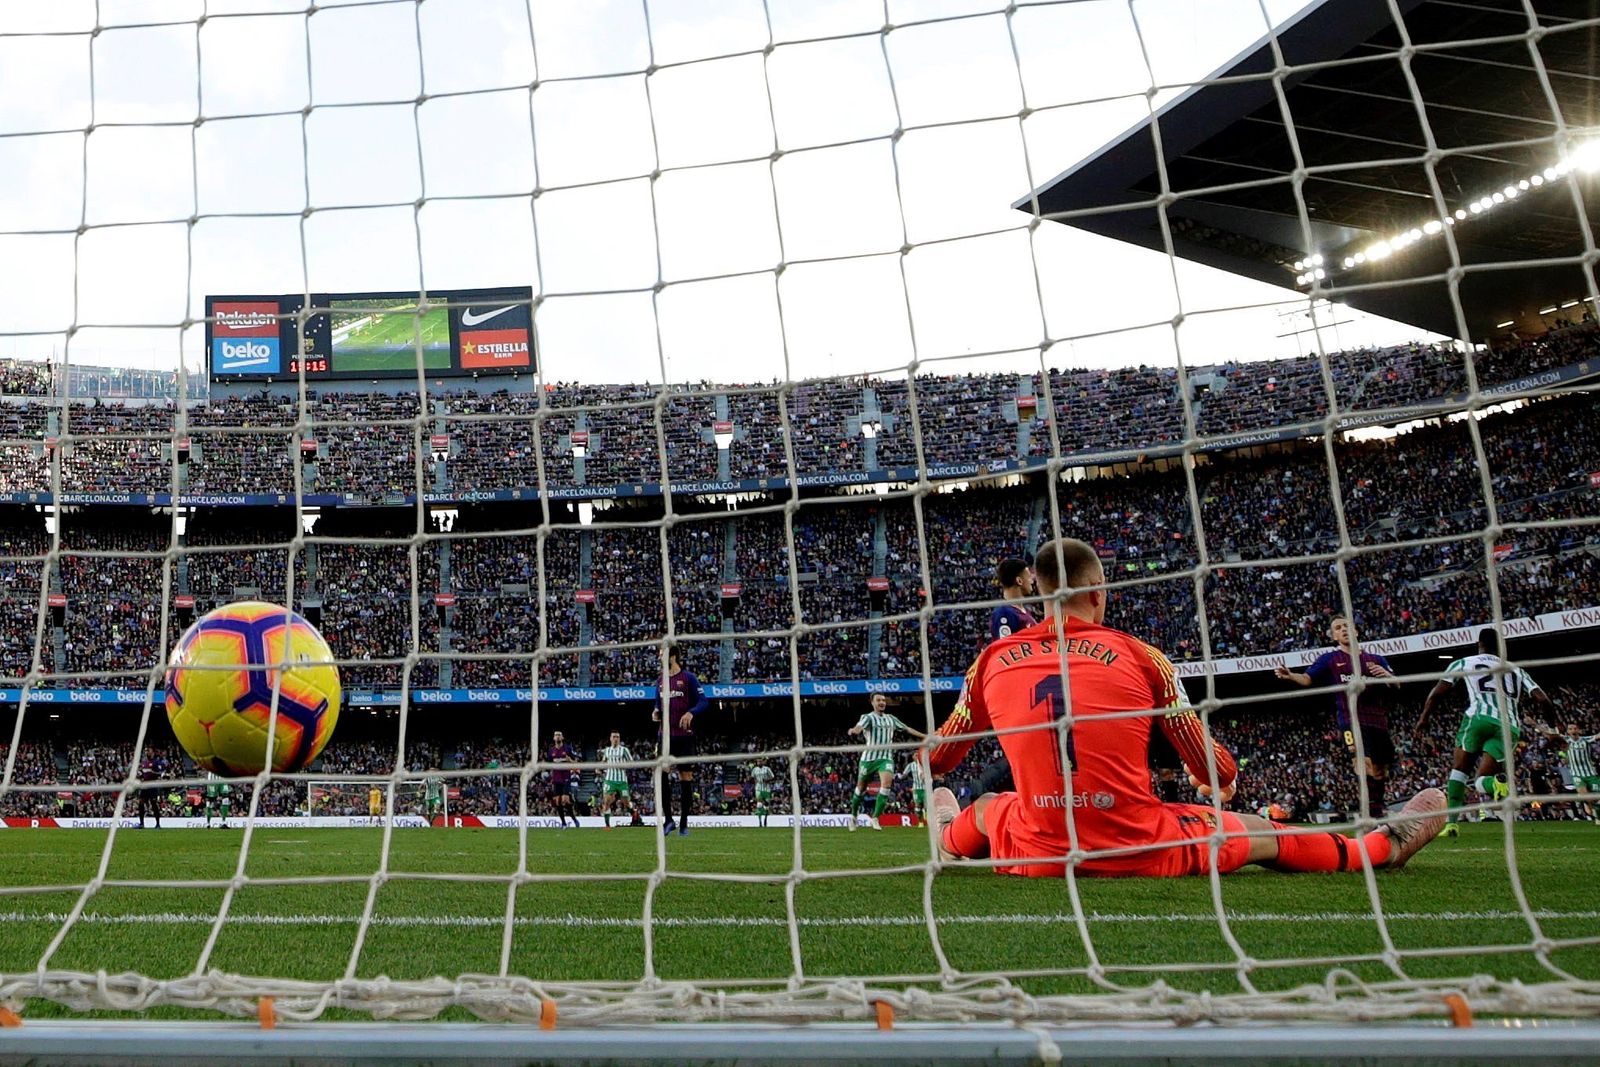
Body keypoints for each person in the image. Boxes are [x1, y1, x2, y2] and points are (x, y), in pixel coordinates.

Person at [927, 538, 1445, 878]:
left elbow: (941, 757)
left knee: (991, 808)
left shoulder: (991, 660)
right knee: (1263, 832)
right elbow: (1210, 767)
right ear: (1097, 590)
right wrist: (1224, 777)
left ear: (1037, 590)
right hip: (1139, 845)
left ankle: (948, 836)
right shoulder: (1140, 656)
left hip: (1042, 851)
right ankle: (1383, 846)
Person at [1416, 628, 1555, 835]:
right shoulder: (1516, 669)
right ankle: (1494, 785)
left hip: (1478, 719)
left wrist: (1424, 718)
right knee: (1482, 780)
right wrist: (1552, 728)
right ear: (1500, 647)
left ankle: (1452, 824)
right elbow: (1543, 700)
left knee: (1459, 771)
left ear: (1478, 643)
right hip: (1509, 726)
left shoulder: (1464, 662)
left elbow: (1438, 693)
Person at [1275, 617, 1397, 818]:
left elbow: (1397, 684)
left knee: (1380, 770)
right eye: (1338, 628)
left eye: (1347, 626)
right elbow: (1307, 679)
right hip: (1350, 720)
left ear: (1356, 631)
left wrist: (1386, 675)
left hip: (1378, 721)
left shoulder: (1376, 659)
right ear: (1334, 636)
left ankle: (1377, 807)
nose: (1343, 630)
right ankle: (1373, 814)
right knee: (1361, 761)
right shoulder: (1330, 659)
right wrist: (1290, 675)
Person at [847, 693, 926, 831]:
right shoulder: (868, 717)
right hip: (869, 759)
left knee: (886, 785)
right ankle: (853, 816)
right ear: (872, 702)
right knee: (860, 789)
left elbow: (907, 728)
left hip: (885, 758)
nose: (882, 702)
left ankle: (876, 818)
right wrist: (854, 730)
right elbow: (859, 727)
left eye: (883, 700)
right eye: (878, 700)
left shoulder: (891, 719)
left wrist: (925, 736)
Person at [652, 646, 708, 835]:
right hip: (665, 736)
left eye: (662, 654)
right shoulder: (660, 682)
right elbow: (657, 705)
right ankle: (668, 820)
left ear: (673, 656)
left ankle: (684, 823)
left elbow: (703, 701)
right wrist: (655, 712)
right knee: (662, 774)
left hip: (685, 736)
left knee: (686, 778)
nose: (659, 657)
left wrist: (691, 713)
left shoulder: (688, 678)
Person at [1558, 723, 1600, 823]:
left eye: (1575, 728)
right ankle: (1589, 807)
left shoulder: (1586, 740)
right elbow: (1550, 734)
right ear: (1568, 731)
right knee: (1585, 796)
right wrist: (1535, 725)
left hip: (1591, 774)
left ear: (1579, 730)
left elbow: (1598, 735)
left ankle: (1597, 815)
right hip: (1577, 774)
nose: (1573, 730)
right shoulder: (1566, 740)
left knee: (1597, 799)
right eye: (1570, 729)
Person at [991, 558, 1036, 639]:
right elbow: (1005, 648)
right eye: (1029, 577)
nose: (1032, 582)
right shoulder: (1004, 613)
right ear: (1019, 581)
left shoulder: (1025, 611)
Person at [599, 731, 636, 829]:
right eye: (614, 737)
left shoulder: (624, 750)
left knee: (626, 802)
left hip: (622, 780)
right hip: (609, 780)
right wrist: (599, 767)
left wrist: (625, 766)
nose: (616, 739)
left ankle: (634, 814)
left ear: (619, 739)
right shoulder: (607, 750)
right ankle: (607, 825)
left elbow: (632, 763)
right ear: (610, 738)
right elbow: (604, 761)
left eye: (617, 737)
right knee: (606, 801)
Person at [547, 731, 578, 828]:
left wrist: (570, 760)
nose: (557, 737)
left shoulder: (568, 749)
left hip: (566, 777)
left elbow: (575, 763)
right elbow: (548, 763)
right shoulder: (551, 751)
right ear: (553, 738)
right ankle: (564, 823)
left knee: (565, 799)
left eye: (559, 735)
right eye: (556, 735)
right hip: (556, 778)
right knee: (558, 801)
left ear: (562, 737)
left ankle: (574, 819)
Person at [900, 757, 929, 826]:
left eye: (918, 754)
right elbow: (904, 774)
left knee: (927, 806)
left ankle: (928, 819)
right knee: (917, 806)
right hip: (916, 789)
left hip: (926, 788)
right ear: (913, 757)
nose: (917, 756)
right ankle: (921, 822)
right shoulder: (911, 765)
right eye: (915, 755)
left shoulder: (926, 764)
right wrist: (900, 776)